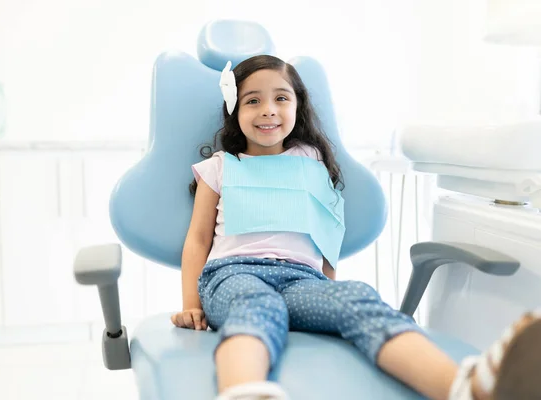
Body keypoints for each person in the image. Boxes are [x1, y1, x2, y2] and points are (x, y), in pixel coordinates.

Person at [170, 54, 541, 400]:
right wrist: (192, 305)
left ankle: (465, 387)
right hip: (234, 273)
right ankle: (245, 391)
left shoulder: (311, 160)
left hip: (302, 280)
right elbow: (198, 239)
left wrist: (329, 293)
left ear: (297, 107)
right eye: (252, 100)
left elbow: (326, 230)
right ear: (234, 110)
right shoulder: (220, 167)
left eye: (281, 98)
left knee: (357, 298)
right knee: (256, 305)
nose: (268, 110)